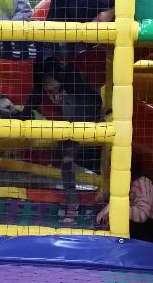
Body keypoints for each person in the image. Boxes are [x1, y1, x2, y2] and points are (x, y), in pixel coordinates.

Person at [27, 58, 103, 225]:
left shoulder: (73, 82)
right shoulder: (47, 89)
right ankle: (72, 200)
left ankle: (74, 203)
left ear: (59, 78)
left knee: (68, 160)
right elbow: (33, 100)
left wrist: (73, 131)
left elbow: (89, 105)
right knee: (65, 162)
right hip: (70, 126)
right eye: (47, 88)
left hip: (87, 122)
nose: (50, 90)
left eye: (52, 85)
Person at [96, 158, 153, 245]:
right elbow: (122, 196)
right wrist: (105, 196)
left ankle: (142, 248)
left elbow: (142, 214)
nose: (111, 173)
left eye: (113, 169)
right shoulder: (126, 184)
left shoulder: (140, 185)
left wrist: (116, 207)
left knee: (133, 228)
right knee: (128, 223)